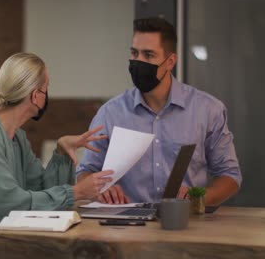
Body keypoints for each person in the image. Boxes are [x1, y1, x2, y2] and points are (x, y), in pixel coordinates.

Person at [0, 53, 113, 259]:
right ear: (35, 95)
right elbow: (7, 206)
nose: (47, 94)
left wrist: (61, 153)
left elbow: (41, 189)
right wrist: (76, 192)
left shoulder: (17, 137)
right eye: (47, 87)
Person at [76, 17, 242, 207]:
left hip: (187, 224)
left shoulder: (208, 110)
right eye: (134, 53)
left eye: (148, 55)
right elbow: (85, 172)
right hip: (126, 227)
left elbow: (230, 176)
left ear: (170, 61)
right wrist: (101, 190)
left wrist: (199, 198)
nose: (138, 61)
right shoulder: (110, 113)